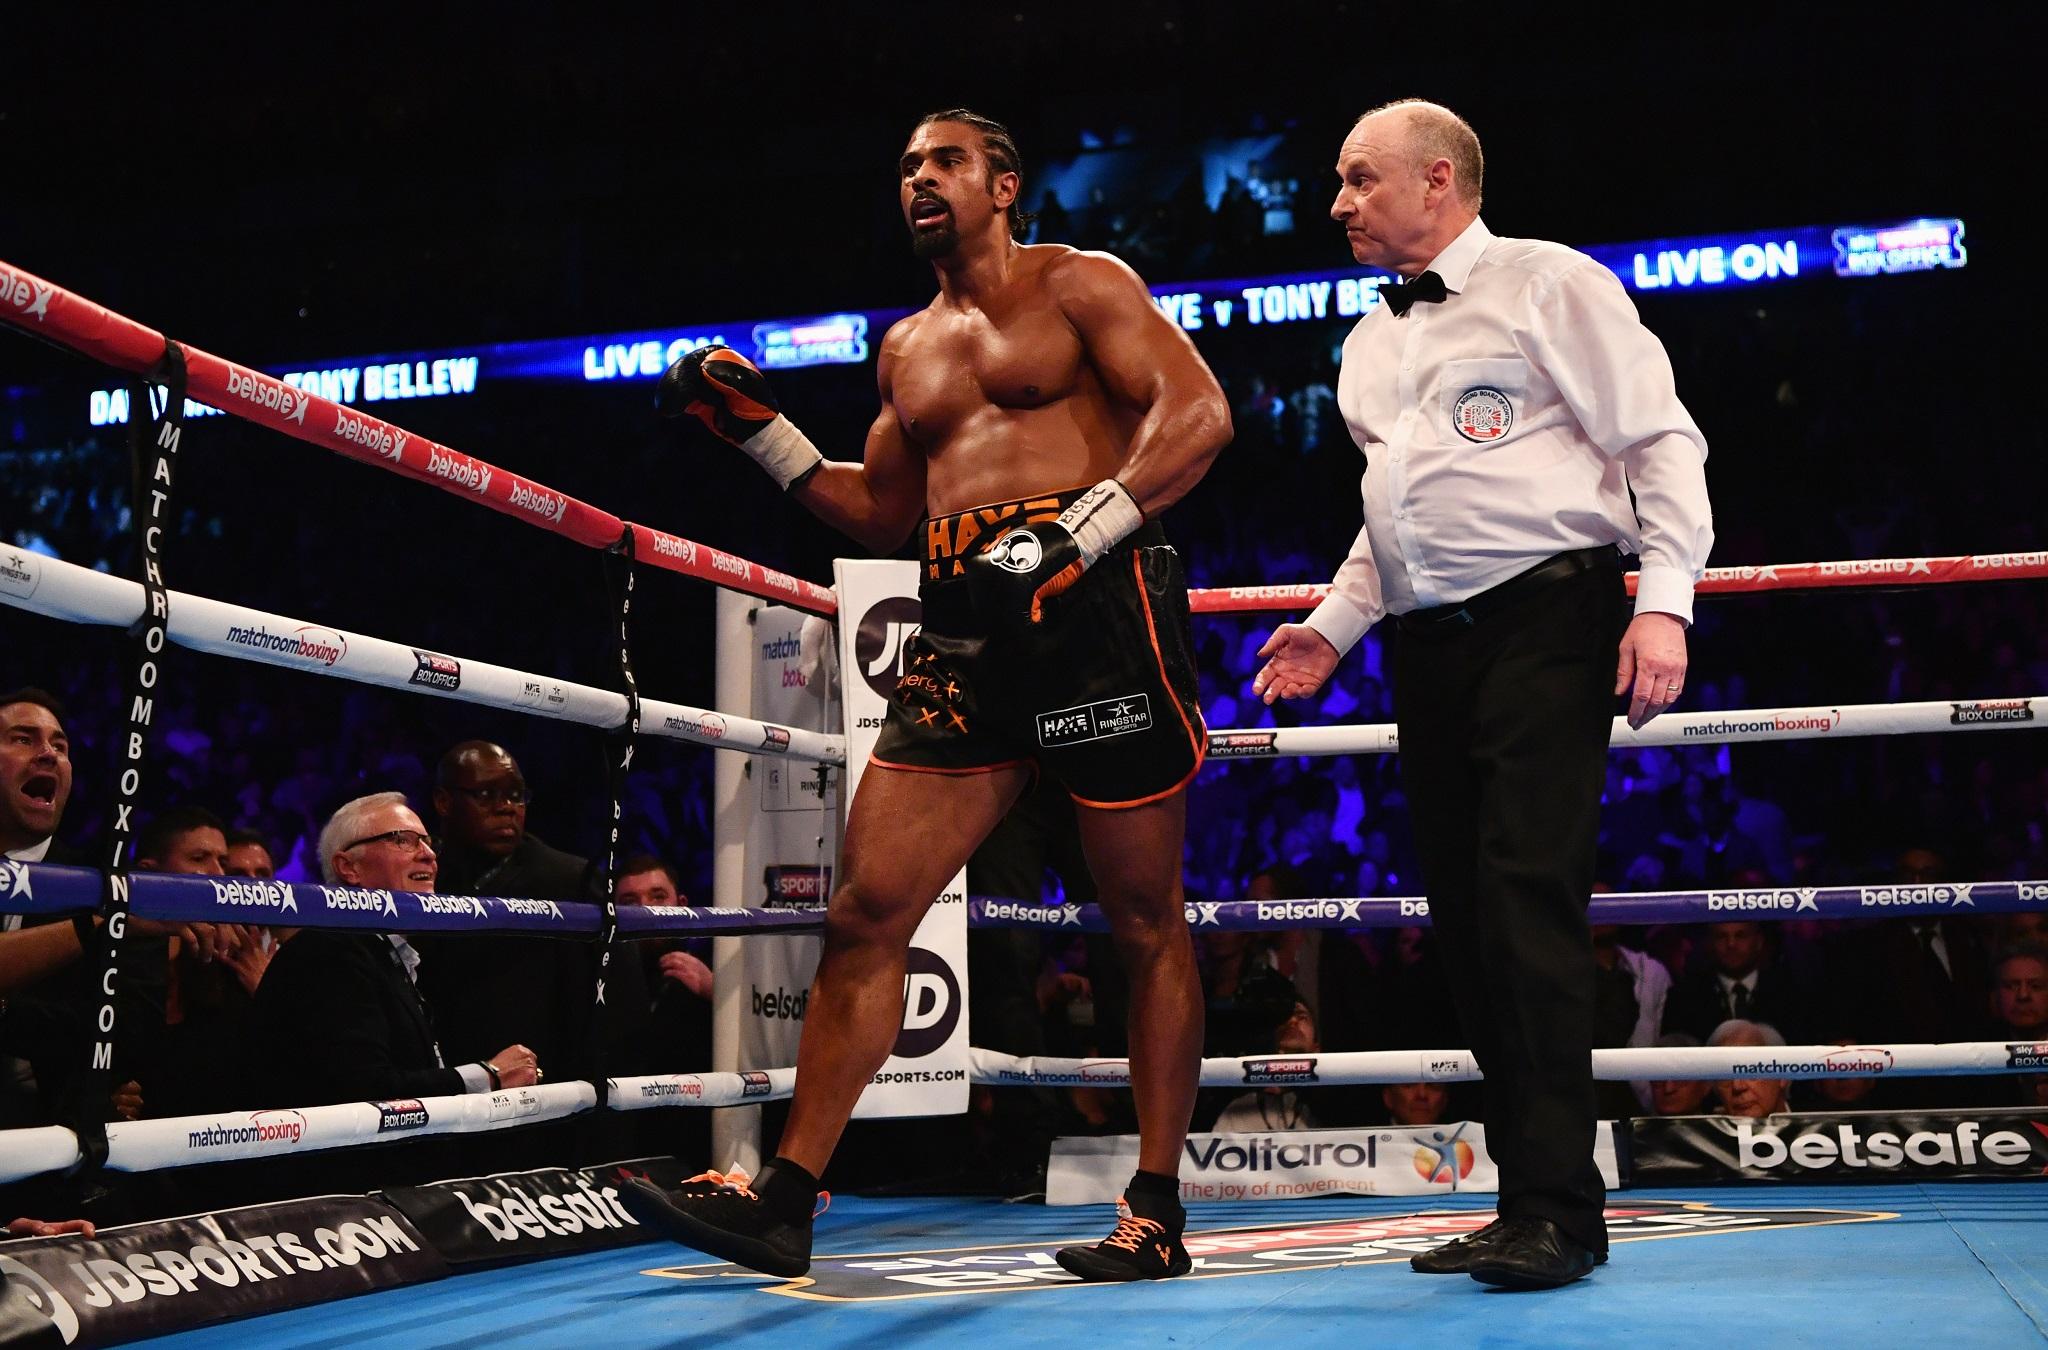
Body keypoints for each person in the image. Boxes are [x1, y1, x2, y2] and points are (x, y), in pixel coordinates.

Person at [623, 107, 1231, 1282]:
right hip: (958, 629)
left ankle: (1152, 1210)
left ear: (1003, 185)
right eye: (905, 166)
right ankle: (787, 1200)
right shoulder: (907, 347)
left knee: (1143, 920)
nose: (918, 181)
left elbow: (1197, 415)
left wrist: (1075, 533)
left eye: (943, 162)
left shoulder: (1080, 284)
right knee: (866, 911)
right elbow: (880, 512)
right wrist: (759, 434)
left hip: (1093, 613)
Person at [1253, 100, 1712, 1290]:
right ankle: (1523, 1197)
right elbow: (1389, 520)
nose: (1338, 202)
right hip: (1425, 646)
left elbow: (1661, 443)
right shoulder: (1366, 340)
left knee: (1522, 901)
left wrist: (1659, 603)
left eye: (1358, 181)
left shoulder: (1547, 283)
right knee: (1462, 922)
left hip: (1545, 621)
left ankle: (1563, 1205)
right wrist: (1329, 630)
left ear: (1437, 179)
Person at [248, 792, 539, 1108]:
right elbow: (368, 1088)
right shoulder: (327, 952)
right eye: (404, 840)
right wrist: (489, 1075)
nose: (428, 854)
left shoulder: (383, 951)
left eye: (429, 842)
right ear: (349, 868)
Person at [1707, 1019, 1789, 1118]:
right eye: (1725, 1075)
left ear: (1783, 1074)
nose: (1737, 1087)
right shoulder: (1702, 1132)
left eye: (1750, 1070)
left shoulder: (1811, 1128)